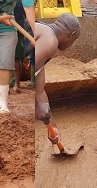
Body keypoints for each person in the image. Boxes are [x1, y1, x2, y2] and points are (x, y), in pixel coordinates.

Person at [35, 13, 81, 145]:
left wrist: (52, 127)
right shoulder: (50, 42)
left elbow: (39, 91)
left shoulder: (43, 32)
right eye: (74, 40)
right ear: (72, 35)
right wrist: (38, 106)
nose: (71, 44)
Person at [10, 0, 34, 92]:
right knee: (17, 58)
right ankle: (16, 84)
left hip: (10, 28)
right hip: (20, 29)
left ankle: (10, 84)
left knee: (10, 58)